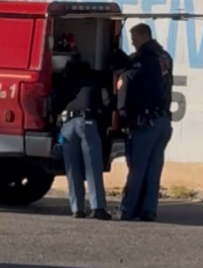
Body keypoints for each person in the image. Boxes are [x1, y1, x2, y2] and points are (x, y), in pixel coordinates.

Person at [117, 23, 174, 221]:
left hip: (146, 122)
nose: (132, 43)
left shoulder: (143, 59)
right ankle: (149, 209)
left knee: (138, 168)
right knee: (154, 168)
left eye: (134, 39)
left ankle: (128, 209)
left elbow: (132, 77)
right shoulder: (164, 57)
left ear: (143, 36)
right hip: (163, 120)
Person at [55, 55, 111, 220]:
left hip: (67, 125)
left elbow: (55, 102)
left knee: (72, 169)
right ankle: (97, 207)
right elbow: (106, 102)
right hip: (86, 122)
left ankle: (77, 208)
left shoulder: (63, 82)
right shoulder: (94, 81)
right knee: (92, 167)